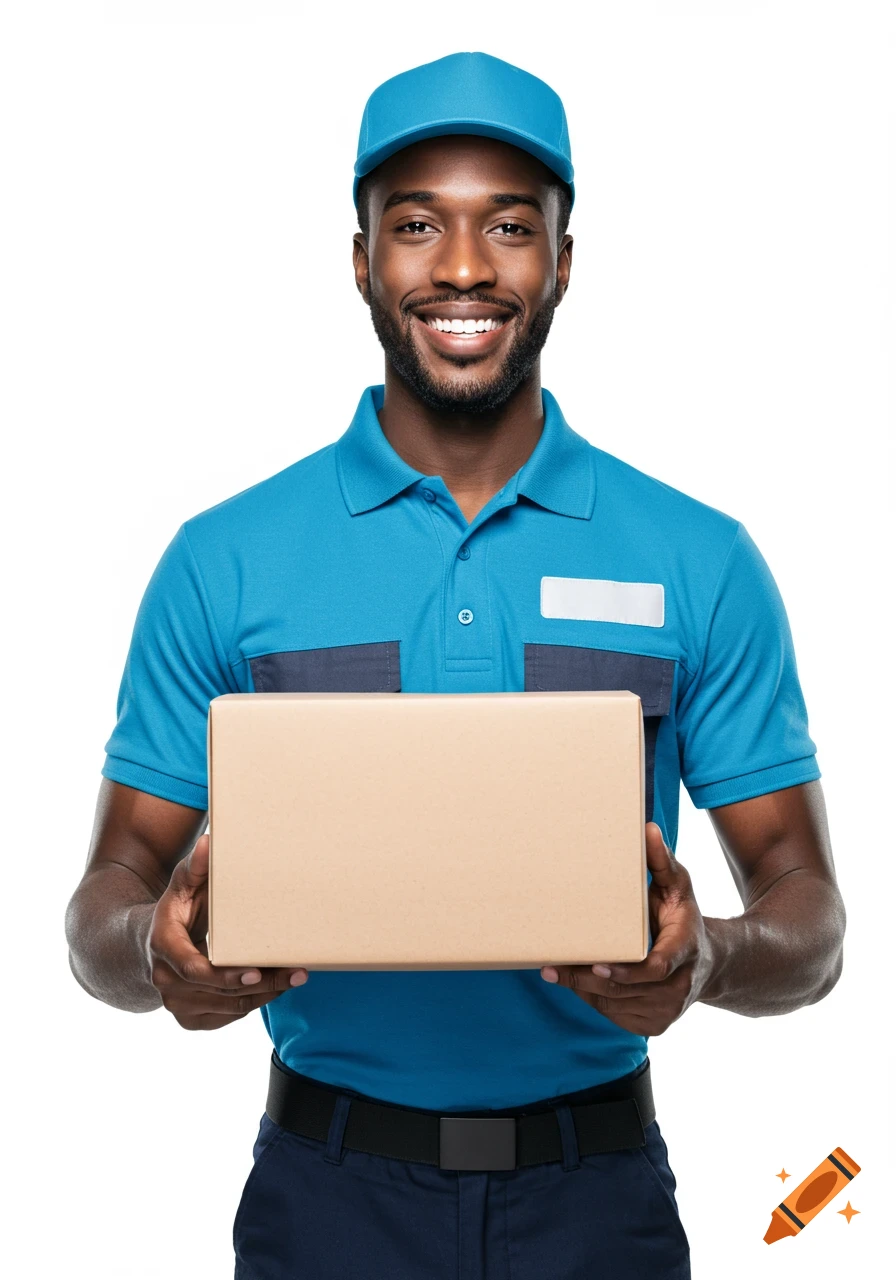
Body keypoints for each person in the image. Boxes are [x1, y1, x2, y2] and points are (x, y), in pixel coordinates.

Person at [65, 52, 845, 1280]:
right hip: (324, 1199)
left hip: (598, 1204)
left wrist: (706, 959)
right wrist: (154, 954)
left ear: (564, 261)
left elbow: (810, 913)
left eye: (511, 227)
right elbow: (104, 898)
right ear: (362, 257)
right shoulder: (223, 560)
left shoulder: (698, 559)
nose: (466, 268)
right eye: (417, 224)